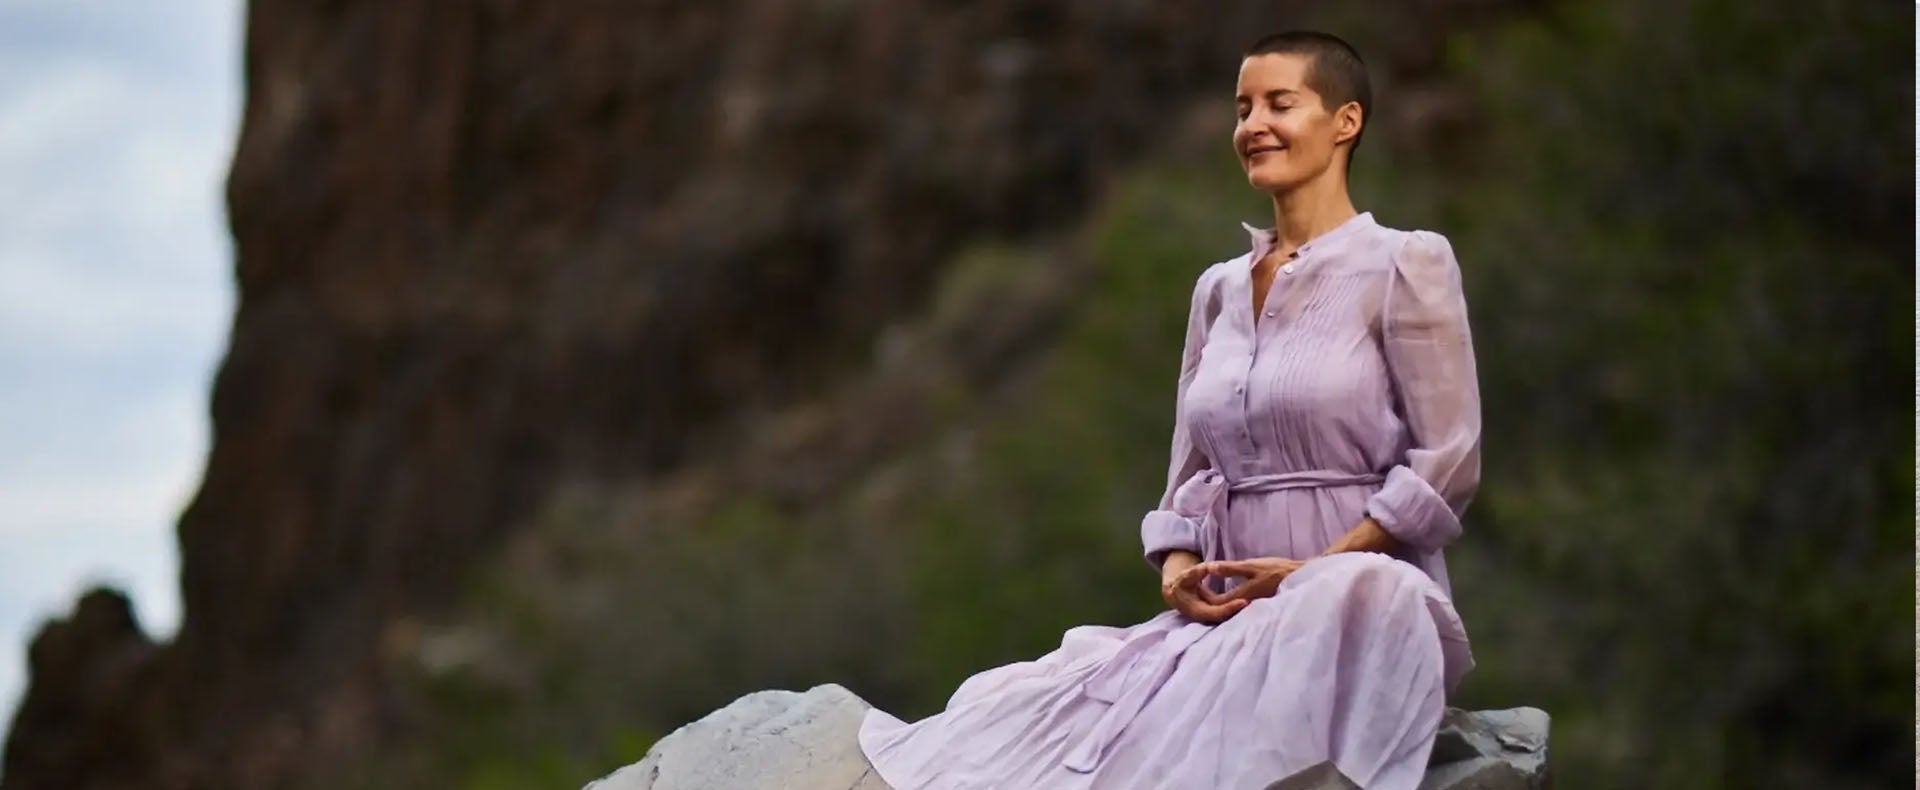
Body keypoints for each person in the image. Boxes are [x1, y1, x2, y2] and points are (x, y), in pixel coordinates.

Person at [858, 30, 1481, 790]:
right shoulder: (1218, 288)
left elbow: (1447, 456)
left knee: (1360, 594)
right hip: (1227, 613)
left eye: (1280, 104)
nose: (1253, 125)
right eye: (1243, 107)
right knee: (1027, 712)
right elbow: (1191, 471)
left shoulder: (1405, 262)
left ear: (1345, 121)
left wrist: (1316, 569)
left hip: (1358, 596)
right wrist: (1180, 571)